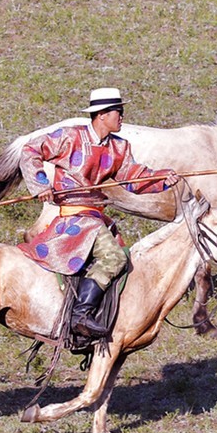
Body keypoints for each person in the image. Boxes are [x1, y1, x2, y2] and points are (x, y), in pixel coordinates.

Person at [19, 87, 180, 338]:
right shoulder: (70, 137)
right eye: (119, 112)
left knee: (124, 260)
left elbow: (132, 179)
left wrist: (162, 178)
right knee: (114, 258)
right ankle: (79, 315)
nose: (122, 117)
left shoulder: (119, 147)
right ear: (102, 115)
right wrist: (41, 185)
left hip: (96, 218)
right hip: (75, 218)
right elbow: (31, 150)